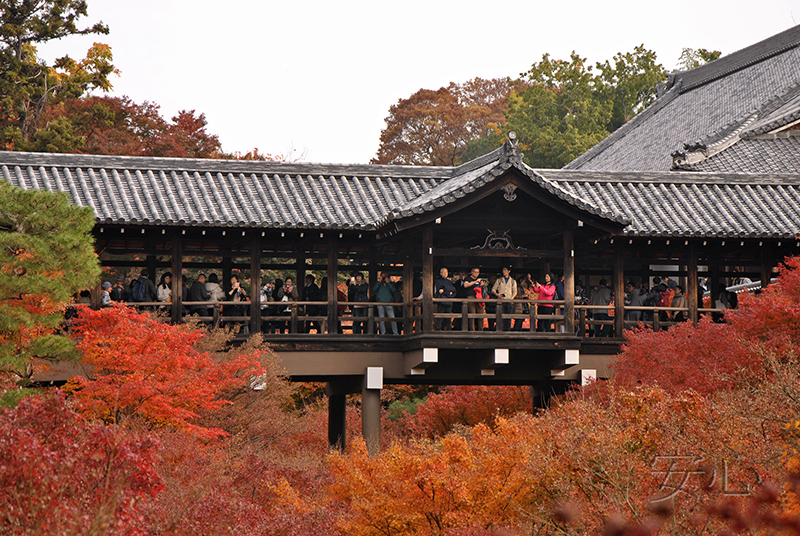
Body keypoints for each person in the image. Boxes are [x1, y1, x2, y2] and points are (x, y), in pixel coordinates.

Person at [492, 267, 517, 331]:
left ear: (509, 271)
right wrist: (497, 294)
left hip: (509, 301)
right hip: (501, 301)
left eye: (505, 270)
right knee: (500, 317)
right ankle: (500, 331)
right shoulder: (499, 280)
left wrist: (511, 298)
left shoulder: (513, 281)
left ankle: (507, 331)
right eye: (503, 270)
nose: (504, 271)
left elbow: (515, 292)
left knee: (508, 318)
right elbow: (493, 289)